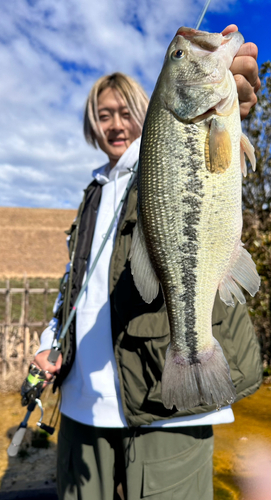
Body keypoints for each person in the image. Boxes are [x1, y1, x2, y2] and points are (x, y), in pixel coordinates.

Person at [34, 25, 262, 500]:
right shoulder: (93, 190)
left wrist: (234, 105)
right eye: (102, 115)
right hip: (82, 401)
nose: (114, 124)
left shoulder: (153, 158)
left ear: (146, 108)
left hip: (161, 395)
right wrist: (50, 341)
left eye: (123, 112)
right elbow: (75, 282)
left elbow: (209, 141)